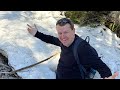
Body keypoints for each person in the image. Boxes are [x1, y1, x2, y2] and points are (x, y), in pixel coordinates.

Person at [27, 18, 118, 79]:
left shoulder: (83, 48)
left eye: (66, 32)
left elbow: (101, 66)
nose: (63, 36)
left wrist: (107, 76)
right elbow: (51, 39)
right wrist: (36, 34)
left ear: (73, 31)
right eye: (60, 33)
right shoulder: (63, 41)